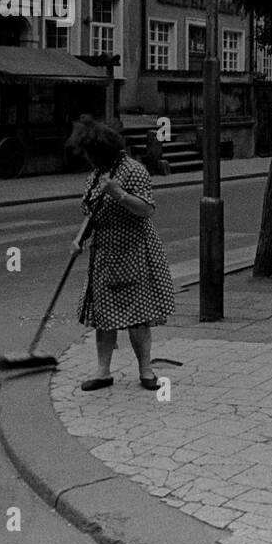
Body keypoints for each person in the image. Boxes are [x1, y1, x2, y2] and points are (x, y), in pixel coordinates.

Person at [66, 116, 175, 392]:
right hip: (104, 253)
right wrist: (80, 239)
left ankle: (146, 370)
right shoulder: (95, 175)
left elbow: (147, 210)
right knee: (103, 315)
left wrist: (119, 194)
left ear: (103, 151)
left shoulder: (133, 171)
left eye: (91, 154)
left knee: (137, 316)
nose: (88, 159)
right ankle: (103, 371)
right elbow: (92, 213)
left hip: (134, 251)